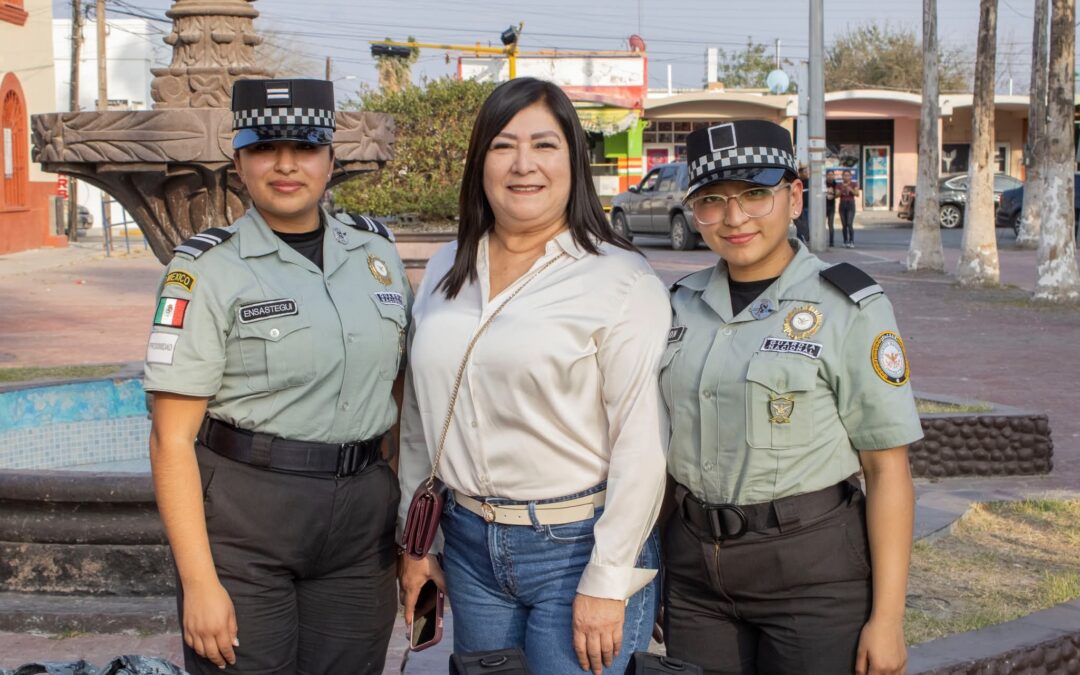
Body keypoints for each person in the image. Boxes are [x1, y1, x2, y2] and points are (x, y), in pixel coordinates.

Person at [397, 77, 670, 675]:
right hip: (468, 546)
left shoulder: (621, 281)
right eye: (502, 145)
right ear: (480, 163)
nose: (524, 165)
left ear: (574, 160)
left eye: (544, 145)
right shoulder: (447, 267)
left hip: (577, 548)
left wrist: (608, 578)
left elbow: (642, 445)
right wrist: (415, 543)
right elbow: (419, 416)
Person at [143, 79, 409, 674]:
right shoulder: (205, 269)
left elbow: (397, 393)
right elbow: (170, 438)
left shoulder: (378, 257)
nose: (286, 165)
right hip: (247, 518)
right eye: (265, 148)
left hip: (361, 525)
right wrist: (200, 583)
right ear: (238, 162)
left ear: (330, 160)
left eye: (306, 147)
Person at [660, 119, 921, 675]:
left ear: (794, 196)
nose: (734, 219)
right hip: (695, 574)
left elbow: (886, 467)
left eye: (756, 194)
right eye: (712, 201)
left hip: (812, 573)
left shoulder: (849, 305)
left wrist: (888, 619)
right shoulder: (677, 305)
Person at [838, 168, 860, 248]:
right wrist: (842, 189)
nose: (846, 177)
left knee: (849, 223)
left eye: (848, 175)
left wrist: (850, 189)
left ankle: (851, 241)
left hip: (851, 204)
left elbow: (857, 194)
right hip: (842, 204)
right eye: (844, 175)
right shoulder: (840, 185)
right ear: (842, 177)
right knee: (844, 224)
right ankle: (845, 241)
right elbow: (836, 195)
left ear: (850, 177)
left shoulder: (854, 184)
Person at [793, 166, 810, 243]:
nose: (806, 174)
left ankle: (805, 238)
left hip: (807, 207)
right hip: (798, 207)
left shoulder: (810, 182)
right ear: (800, 173)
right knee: (799, 224)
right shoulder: (797, 182)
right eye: (804, 172)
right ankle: (801, 238)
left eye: (807, 172)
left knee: (806, 224)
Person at [825, 168, 838, 246]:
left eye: (832, 175)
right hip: (823, 206)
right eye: (829, 175)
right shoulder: (824, 183)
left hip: (832, 206)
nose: (830, 176)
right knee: (822, 225)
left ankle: (831, 242)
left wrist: (834, 192)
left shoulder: (835, 183)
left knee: (831, 224)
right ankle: (821, 240)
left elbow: (837, 194)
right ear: (826, 176)